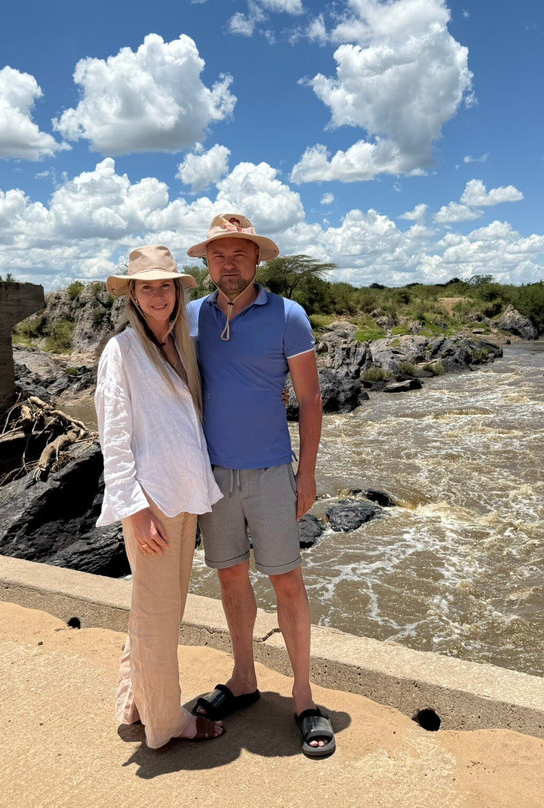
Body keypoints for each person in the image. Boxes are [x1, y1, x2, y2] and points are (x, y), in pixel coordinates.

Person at [186, 213, 335, 758]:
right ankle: (244, 678)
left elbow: (310, 399)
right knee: (230, 578)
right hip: (212, 474)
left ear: (257, 259)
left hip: (272, 471)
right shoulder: (189, 317)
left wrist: (306, 473)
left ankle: (303, 695)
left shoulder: (289, 315)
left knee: (287, 581)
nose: (229, 264)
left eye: (239, 254)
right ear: (207, 262)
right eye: (219, 255)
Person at [94, 244, 225, 748]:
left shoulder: (180, 344)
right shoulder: (122, 351)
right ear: (132, 294)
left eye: (164, 285)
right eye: (146, 286)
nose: (157, 295)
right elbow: (114, 436)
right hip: (152, 503)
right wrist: (135, 510)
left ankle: (136, 704)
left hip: (184, 494)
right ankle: (167, 722)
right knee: (157, 617)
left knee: (158, 611)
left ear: (176, 291)